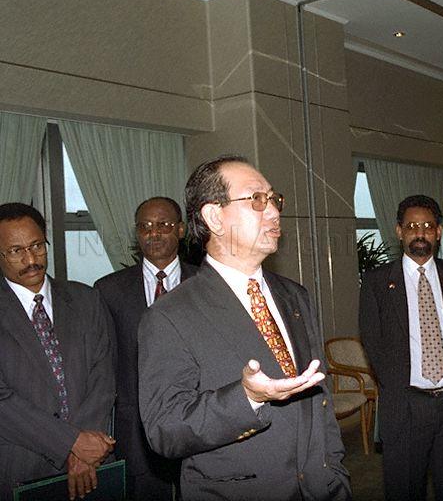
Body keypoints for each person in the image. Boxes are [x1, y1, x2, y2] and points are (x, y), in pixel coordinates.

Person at [138, 156, 350, 501]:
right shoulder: (169, 315)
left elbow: (319, 400)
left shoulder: (294, 296)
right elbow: (165, 430)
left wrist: (337, 478)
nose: (274, 212)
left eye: (273, 199)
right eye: (256, 200)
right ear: (214, 217)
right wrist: (248, 398)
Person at [359, 195, 443, 501]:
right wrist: (401, 386)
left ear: (438, 231)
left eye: (427, 226)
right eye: (411, 226)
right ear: (399, 232)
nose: (419, 232)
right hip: (406, 407)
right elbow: (372, 340)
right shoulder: (377, 282)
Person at [0, 203, 115, 501]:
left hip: (94, 463)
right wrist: (70, 442)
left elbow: (103, 376)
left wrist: (84, 450)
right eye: (16, 251)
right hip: (20, 467)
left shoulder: (86, 299)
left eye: (37, 246)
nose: (31, 259)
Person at [95, 196, 197, 500]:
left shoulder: (208, 283)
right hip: (137, 432)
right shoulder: (109, 290)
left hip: (198, 422)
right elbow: (104, 367)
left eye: (163, 225)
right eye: (145, 226)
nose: (154, 233)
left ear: (180, 230)